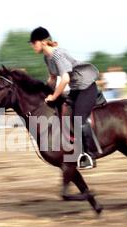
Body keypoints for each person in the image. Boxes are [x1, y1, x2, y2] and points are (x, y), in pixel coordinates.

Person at [29, 27, 100, 169]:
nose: (32, 45)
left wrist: (54, 95)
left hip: (86, 87)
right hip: (76, 88)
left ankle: (90, 155)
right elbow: (53, 79)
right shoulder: (47, 57)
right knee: (61, 111)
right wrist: (44, 93)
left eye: (33, 42)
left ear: (43, 42)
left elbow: (65, 79)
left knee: (78, 118)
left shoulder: (57, 55)